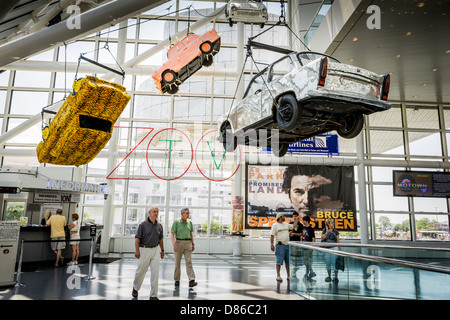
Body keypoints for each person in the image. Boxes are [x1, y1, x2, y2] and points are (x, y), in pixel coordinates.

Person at [132, 207, 164, 300]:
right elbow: (137, 238)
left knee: (155, 272)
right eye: (154, 211)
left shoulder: (159, 225)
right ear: (149, 213)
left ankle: (153, 295)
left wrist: (162, 250)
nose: (156, 213)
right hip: (144, 249)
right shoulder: (142, 224)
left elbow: (161, 239)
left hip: (156, 250)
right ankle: (135, 288)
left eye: (157, 212)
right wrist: (137, 250)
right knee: (141, 271)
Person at [171, 208, 197, 288]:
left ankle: (191, 280)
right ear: (182, 214)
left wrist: (192, 244)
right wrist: (174, 244)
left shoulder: (190, 222)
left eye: (188, 213)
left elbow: (191, 233)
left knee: (189, 261)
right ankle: (177, 280)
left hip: (188, 243)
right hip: (179, 243)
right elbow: (172, 234)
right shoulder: (176, 222)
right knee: (177, 262)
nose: (188, 215)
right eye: (186, 213)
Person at [270, 212, 294, 282]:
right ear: (280, 217)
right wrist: (271, 244)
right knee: (279, 261)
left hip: (287, 245)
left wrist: (296, 221)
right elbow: (272, 235)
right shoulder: (275, 225)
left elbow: (293, 227)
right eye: (283, 216)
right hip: (280, 246)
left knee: (288, 262)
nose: (284, 217)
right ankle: (278, 275)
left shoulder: (286, 224)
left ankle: (288, 276)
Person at [321, 218, 340, 283]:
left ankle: (336, 277)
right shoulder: (324, 230)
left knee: (335, 263)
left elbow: (338, 241)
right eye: (331, 222)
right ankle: (329, 276)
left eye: (333, 222)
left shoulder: (336, 231)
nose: (333, 224)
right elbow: (322, 238)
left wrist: (340, 250)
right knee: (328, 263)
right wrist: (326, 233)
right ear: (328, 224)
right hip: (326, 249)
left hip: (334, 248)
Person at [301, 216, 316, 280]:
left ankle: (307, 273)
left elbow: (313, 238)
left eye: (304, 220)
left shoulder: (311, 229)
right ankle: (311, 272)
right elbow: (302, 236)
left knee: (307, 261)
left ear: (307, 221)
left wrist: (312, 248)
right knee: (305, 261)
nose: (303, 222)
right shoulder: (303, 228)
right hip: (303, 246)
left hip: (308, 246)